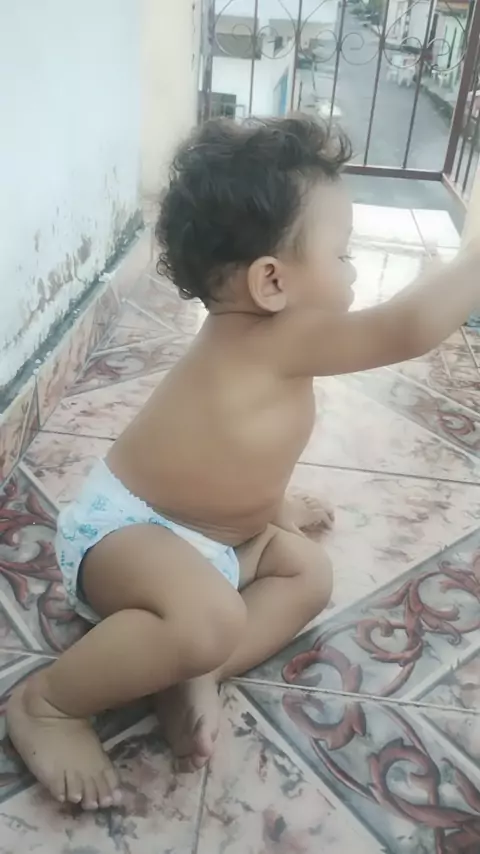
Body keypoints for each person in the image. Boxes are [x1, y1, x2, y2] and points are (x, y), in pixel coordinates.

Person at [7, 116, 480, 811]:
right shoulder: (282, 340)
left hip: (215, 538)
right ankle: (47, 705)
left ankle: (192, 672)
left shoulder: (263, 339)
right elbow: (408, 327)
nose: (352, 270)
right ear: (272, 282)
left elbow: (237, 450)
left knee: (308, 574)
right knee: (211, 618)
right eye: (343, 254)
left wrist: (276, 510)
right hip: (126, 536)